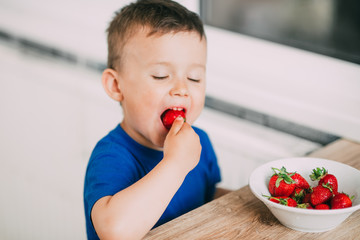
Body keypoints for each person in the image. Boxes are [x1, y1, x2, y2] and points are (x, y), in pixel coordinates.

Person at [83, 0, 229, 239]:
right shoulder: (111, 157)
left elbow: (207, 197)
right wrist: (176, 164)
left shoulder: (199, 142)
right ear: (116, 86)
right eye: (161, 76)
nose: (182, 89)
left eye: (194, 78)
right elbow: (114, 231)